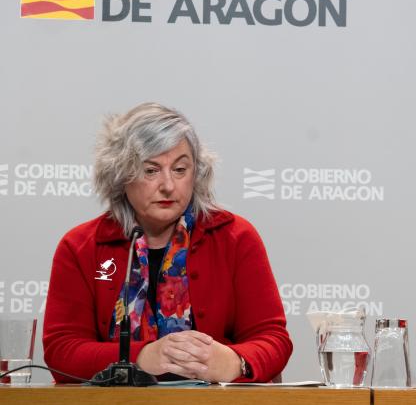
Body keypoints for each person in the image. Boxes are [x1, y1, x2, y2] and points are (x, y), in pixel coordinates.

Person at [43, 103, 292, 383]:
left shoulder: (235, 236)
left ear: (196, 173)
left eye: (180, 169)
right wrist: (141, 357)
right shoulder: (81, 246)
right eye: (151, 171)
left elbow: (274, 339)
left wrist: (236, 362)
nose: (168, 186)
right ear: (120, 174)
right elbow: (61, 349)